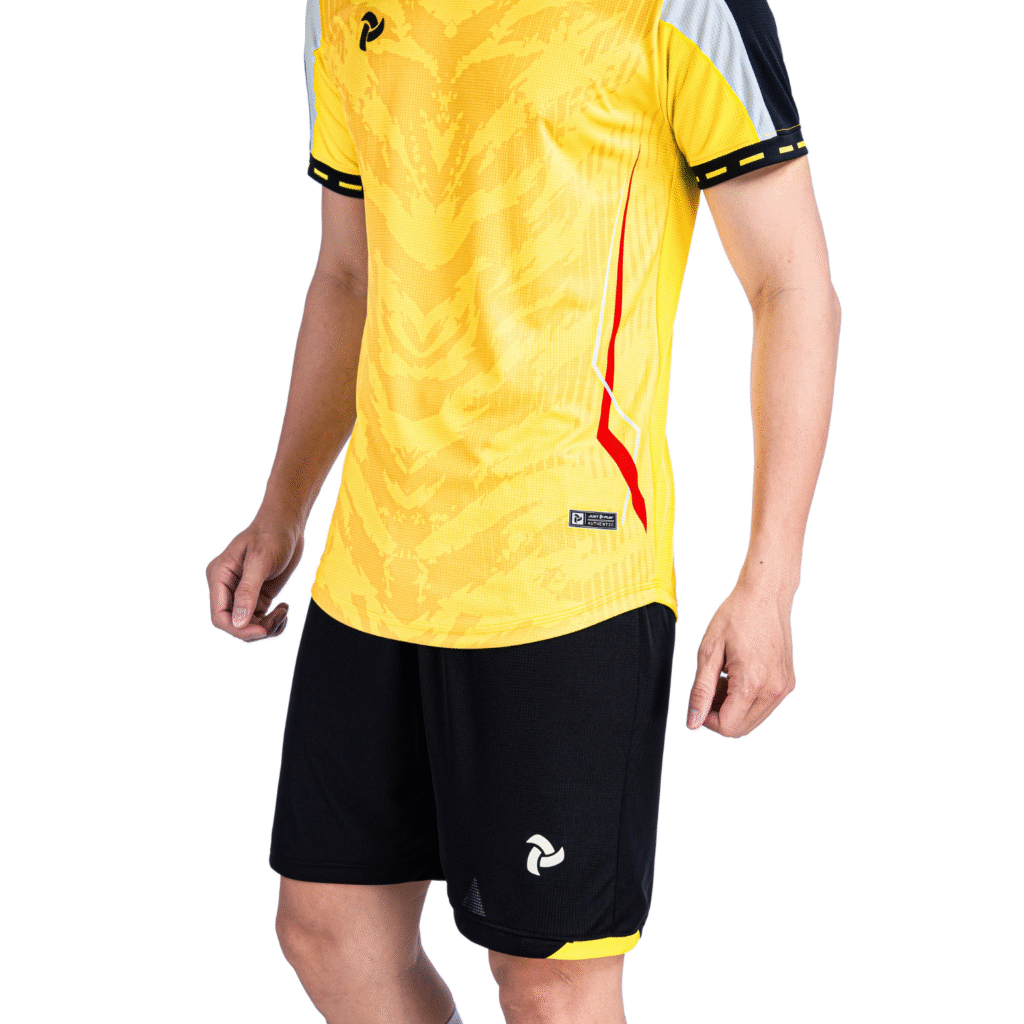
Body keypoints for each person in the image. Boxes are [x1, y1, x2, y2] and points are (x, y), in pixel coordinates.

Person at [205, 0, 840, 1020]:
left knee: (550, 983)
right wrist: (281, 506)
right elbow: (347, 274)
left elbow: (791, 283)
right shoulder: (338, 8)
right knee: (327, 926)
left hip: (566, 561)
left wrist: (769, 583)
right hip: (379, 556)